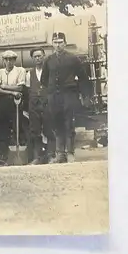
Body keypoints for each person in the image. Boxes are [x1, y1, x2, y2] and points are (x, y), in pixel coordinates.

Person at [41, 32, 91, 163]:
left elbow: (83, 78)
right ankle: (60, 154)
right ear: (52, 44)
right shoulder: (48, 60)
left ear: (65, 43)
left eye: (60, 42)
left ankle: (70, 153)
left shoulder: (73, 59)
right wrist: (49, 95)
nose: (58, 45)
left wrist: (84, 95)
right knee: (57, 124)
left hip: (68, 95)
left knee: (69, 123)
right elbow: (44, 80)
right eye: (55, 42)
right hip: (54, 97)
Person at [0, 50, 26, 162]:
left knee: (18, 126)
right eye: (6, 59)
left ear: (14, 60)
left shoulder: (20, 70)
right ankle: (4, 155)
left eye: (11, 59)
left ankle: (21, 154)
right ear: (3, 61)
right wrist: (11, 92)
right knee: (3, 128)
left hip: (16, 102)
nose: (8, 61)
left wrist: (4, 86)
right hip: (3, 102)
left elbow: (20, 88)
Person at [25, 48, 55, 165]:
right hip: (34, 106)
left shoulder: (50, 71)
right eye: (35, 56)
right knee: (35, 131)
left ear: (44, 56)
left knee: (49, 129)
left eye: (40, 56)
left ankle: (51, 155)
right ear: (32, 59)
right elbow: (28, 90)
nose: (38, 58)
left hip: (47, 104)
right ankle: (38, 157)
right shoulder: (29, 74)